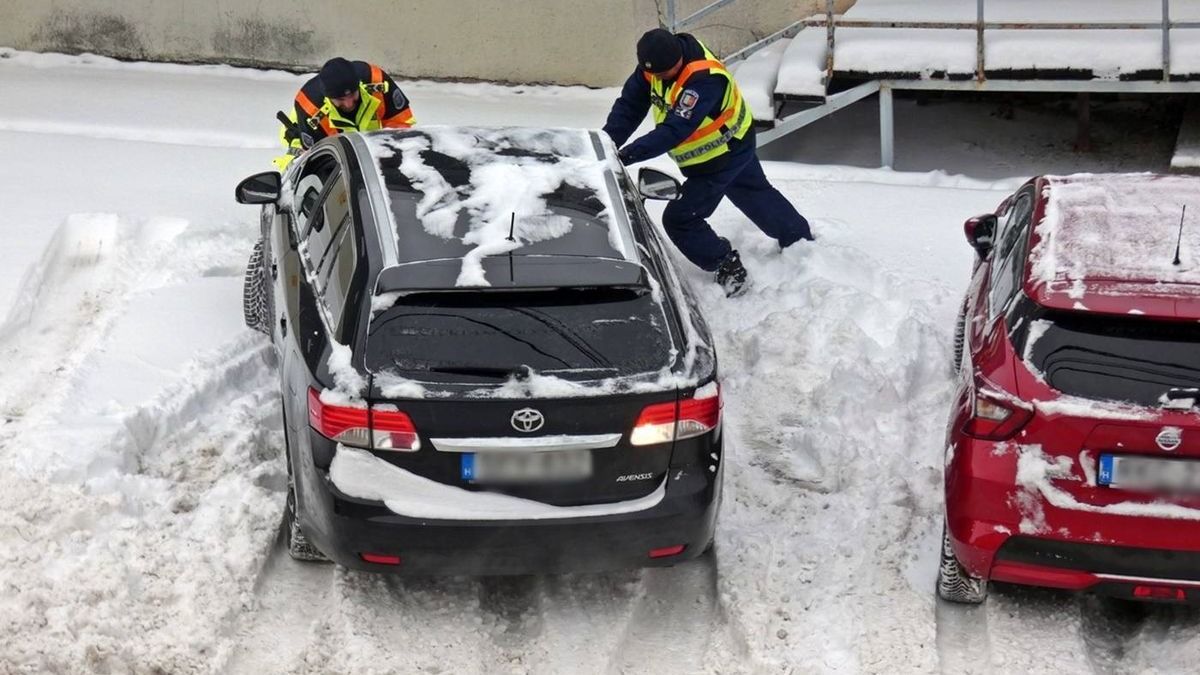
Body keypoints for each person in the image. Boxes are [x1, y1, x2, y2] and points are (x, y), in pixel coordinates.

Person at [603, 29, 814, 297]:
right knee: (753, 193)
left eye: (666, 72)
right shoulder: (654, 66)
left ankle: (727, 266)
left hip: (723, 153)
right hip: (726, 143)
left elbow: (675, 129)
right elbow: (629, 106)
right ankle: (800, 241)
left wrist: (626, 155)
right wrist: (607, 142)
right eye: (655, 73)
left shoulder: (703, 79)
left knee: (681, 219)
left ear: (677, 58)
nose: (659, 78)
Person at [273, 57, 416, 170]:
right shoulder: (309, 107)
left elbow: (401, 126)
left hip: (368, 144)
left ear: (358, 84)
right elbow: (317, 160)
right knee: (296, 167)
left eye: (353, 94)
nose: (349, 104)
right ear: (328, 96)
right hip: (307, 132)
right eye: (340, 99)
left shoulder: (377, 81)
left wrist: (387, 156)